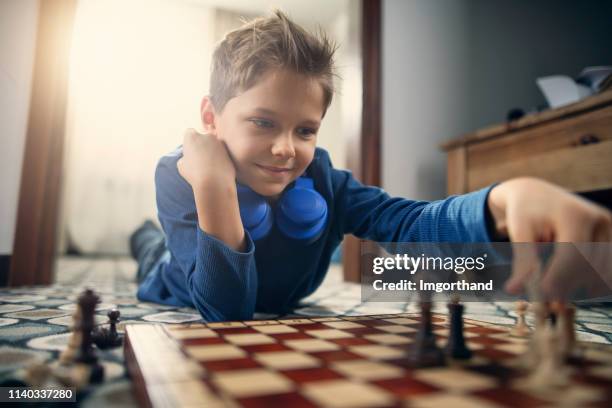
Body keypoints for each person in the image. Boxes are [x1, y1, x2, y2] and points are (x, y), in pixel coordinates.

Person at [130, 11, 612, 322]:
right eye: (262, 122)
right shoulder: (182, 173)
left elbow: (410, 222)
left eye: (305, 130)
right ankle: (145, 237)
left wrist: (501, 201)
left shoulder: (325, 182)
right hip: (175, 278)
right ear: (212, 118)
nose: (285, 150)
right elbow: (227, 309)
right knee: (153, 248)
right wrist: (214, 188)